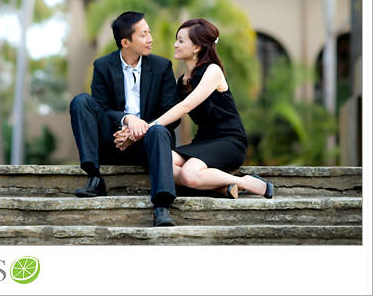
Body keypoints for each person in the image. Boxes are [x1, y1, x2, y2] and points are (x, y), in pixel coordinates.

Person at [141, 18, 274, 200]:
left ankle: (245, 182)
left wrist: (147, 128)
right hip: (203, 141)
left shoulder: (213, 71)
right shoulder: (182, 81)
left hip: (228, 140)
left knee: (189, 174)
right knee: (160, 161)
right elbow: (169, 110)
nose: (175, 45)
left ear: (196, 47)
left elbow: (185, 106)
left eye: (181, 41)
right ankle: (221, 188)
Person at [69, 11, 181, 227]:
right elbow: (100, 109)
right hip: (114, 141)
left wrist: (139, 131)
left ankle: (161, 206)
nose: (150, 39)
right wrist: (127, 119)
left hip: (149, 143)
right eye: (144, 34)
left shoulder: (162, 67)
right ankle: (94, 177)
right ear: (125, 42)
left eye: (149, 33)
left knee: (160, 130)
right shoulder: (103, 65)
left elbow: (171, 115)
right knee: (81, 101)